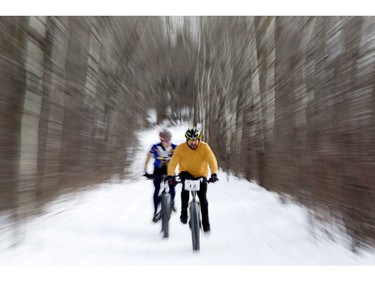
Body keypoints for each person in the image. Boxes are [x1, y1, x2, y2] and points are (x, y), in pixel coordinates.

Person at [167, 127, 218, 232]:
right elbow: (173, 163)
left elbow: (212, 160)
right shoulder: (180, 148)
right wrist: (170, 175)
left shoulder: (204, 147)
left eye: (195, 140)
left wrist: (214, 174)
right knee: (185, 189)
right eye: (191, 140)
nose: (193, 143)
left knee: (203, 199)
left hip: (201, 175)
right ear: (187, 140)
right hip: (186, 173)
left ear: (198, 139)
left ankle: (206, 224)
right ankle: (184, 212)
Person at [144, 129, 177, 223]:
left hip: (170, 170)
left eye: (168, 140)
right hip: (158, 170)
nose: (166, 142)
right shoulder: (155, 147)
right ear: (161, 140)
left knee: (172, 187)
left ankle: (172, 202)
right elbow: (148, 158)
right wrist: (145, 170)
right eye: (164, 140)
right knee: (157, 189)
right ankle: (155, 212)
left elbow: (182, 158)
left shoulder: (175, 147)